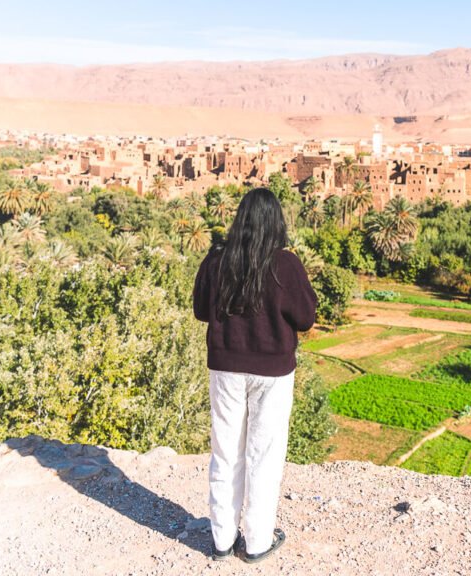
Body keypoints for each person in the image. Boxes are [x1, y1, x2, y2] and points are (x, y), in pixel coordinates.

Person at [192, 187, 317, 564]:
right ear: (276, 222)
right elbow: (306, 317)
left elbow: (201, 311)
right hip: (273, 373)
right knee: (264, 454)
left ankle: (221, 539)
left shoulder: (217, 261)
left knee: (225, 450)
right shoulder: (286, 265)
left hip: (225, 369)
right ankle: (258, 541)